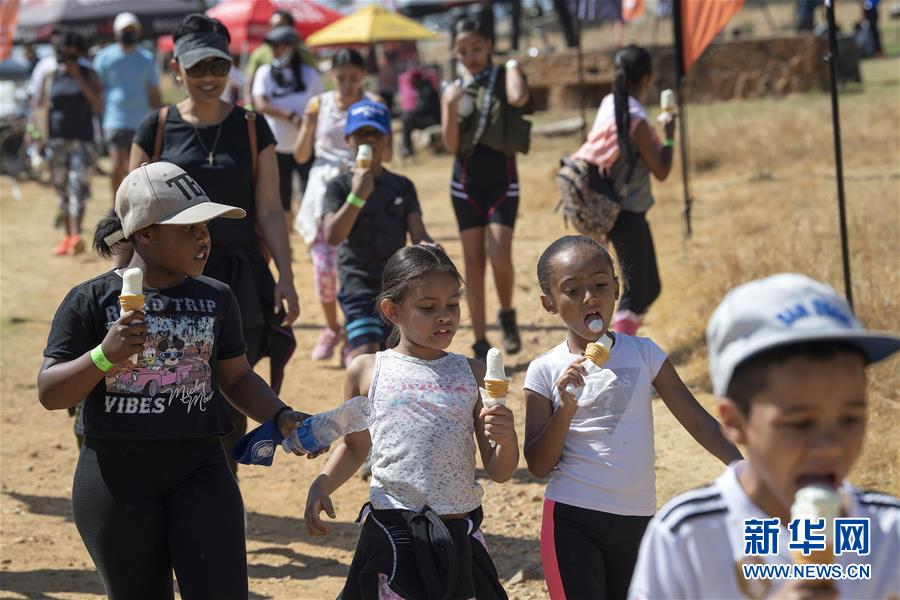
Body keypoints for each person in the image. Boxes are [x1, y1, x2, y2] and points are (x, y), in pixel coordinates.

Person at [38, 161, 312, 599]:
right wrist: (104, 355)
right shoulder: (90, 300)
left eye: (206, 226)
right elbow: (51, 392)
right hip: (115, 476)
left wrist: (279, 415)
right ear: (145, 233)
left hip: (201, 468)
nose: (204, 238)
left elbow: (237, 378)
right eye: (189, 228)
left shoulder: (216, 297)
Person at [629, 273, 900, 599]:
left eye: (850, 418)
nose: (830, 446)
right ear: (734, 422)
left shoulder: (889, 533)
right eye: (800, 423)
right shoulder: (688, 537)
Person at [523, 235, 742, 599]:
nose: (590, 298)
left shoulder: (645, 353)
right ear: (549, 302)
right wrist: (566, 408)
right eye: (572, 291)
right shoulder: (544, 370)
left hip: (639, 521)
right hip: (573, 518)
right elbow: (538, 464)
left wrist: (740, 466)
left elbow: (695, 419)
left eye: (599, 285)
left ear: (616, 288)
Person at [129, 13, 300, 477]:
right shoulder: (155, 126)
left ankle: (219, 488)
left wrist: (286, 276)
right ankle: (178, 484)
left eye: (219, 66)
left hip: (238, 279)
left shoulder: (253, 126)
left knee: (230, 384)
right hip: (168, 278)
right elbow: (131, 215)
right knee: (170, 382)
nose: (209, 77)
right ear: (176, 69)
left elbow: (270, 209)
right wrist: (121, 284)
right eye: (198, 67)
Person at [304, 245, 518, 599]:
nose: (444, 316)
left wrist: (507, 439)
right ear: (393, 310)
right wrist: (322, 485)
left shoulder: (472, 372)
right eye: (428, 307)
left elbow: (499, 469)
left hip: (456, 533)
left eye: (452, 305)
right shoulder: (367, 371)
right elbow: (355, 446)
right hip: (394, 532)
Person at [441, 18, 532, 362]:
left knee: (499, 252)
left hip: (502, 182)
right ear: (455, 52)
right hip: (465, 185)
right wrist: (450, 105)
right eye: (463, 51)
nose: (471, 57)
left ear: (489, 45)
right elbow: (452, 145)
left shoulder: (503, 76)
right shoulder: (452, 89)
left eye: (477, 48)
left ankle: (507, 314)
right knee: (473, 263)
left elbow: (518, 98)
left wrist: (511, 65)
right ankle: (479, 339)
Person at [573, 44, 676, 337]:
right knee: (636, 292)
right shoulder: (636, 120)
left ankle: (623, 339)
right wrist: (669, 138)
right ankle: (620, 349)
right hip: (627, 211)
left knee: (650, 287)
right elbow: (662, 170)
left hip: (609, 207)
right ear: (647, 78)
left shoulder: (609, 104)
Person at [321, 98, 435, 361]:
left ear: (387, 140)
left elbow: (419, 234)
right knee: (366, 355)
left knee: (395, 357)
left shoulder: (402, 185)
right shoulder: (339, 186)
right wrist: (357, 196)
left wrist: (429, 247)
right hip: (357, 286)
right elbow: (333, 235)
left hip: (397, 287)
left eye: (375, 133)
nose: (368, 140)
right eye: (361, 133)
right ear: (348, 139)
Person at [293, 49, 383, 363]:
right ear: (332, 76)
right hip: (324, 190)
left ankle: (352, 333)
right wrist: (308, 124)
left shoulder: (372, 103)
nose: (347, 85)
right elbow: (301, 155)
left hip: (361, 184)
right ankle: (332, 327)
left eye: (353, 78)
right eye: (341, 78)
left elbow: (388, 152)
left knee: (356, 265)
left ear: (363, 76)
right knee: (323, 267)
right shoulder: (319, 104)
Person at [36, 30, 103, 257]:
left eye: (74, 56)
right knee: (61, 187)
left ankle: (76, 235)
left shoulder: (89, 74)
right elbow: (41, 108)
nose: (69, 60)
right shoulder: (50, 76)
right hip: (56, 141)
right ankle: (68, 236)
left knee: (78, 185)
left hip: (83, 141)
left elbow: (97, 104)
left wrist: (78, 78)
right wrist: (39, 137)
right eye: (65, 55)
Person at [252, 25, 322, 228]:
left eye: (279, 46)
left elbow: (320, 103)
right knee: (282, 198)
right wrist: (290, 116)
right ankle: (287, 238)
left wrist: (309, 123)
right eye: (272, 47)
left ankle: (311, 235)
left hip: (306, 145)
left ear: (292, 47)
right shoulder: (265, 73)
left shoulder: (310, 74)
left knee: (310, 193)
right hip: (277, 146)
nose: (275, 51)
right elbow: (260, 104)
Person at [93, 12, 161, 201]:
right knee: (117, 164)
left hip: (141, 122)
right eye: (125, 30)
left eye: (132, 30)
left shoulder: (146, 58)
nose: (129, 33)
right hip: (114, 120)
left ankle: (135, 203)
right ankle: (116, 204)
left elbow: (154, 91)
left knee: (136, 169)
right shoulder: (104, 57)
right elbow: (97, 88)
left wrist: (159, 119)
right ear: (116, 32)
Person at [244, 9, 317, 105]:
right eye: (272, 26)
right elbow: (249, 84)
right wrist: (249, 106)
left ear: (291, 28)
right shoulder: (259, 54)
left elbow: (314, 86)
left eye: (279, 26)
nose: (274, 30)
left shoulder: (305, 54)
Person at [400, 67, 441, 158]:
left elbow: (423, 109)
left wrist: (410, 113)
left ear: (416, 80)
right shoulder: (424, 89)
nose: (410, 82)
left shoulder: (428, 90)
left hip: (432, 120)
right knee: (407, 118)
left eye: (412, 80)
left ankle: (408, 149)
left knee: (408, 119)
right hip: (428, 118)